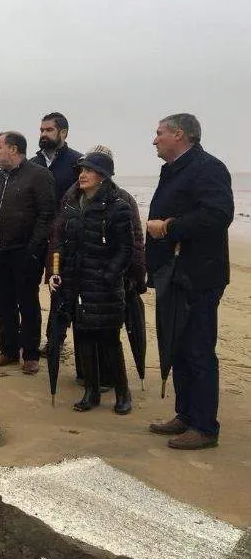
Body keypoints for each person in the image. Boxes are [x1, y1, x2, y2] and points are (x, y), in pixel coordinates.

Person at [145, 113, 233, 450]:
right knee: (177, 345)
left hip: (199, 274)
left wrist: (169, 227)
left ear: (180, 135)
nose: (154, 140)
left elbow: (218, 214)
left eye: (159, 134)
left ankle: (204, 427)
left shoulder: (207, 167)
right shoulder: (176, 168)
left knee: (197, 348)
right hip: (174, 273)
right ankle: (185, 414)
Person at [48, 150, 134, 413]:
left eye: (89, 170)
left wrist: (109, 276)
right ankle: (91, 392)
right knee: (83, 337)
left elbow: (125, 249)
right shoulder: (73, 205)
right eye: (81, 170)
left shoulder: (118, 206)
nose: (82, 175)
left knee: (109, 340)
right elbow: (61, 242)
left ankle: (122, 394)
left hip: (104, 287)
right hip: (76, 284)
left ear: (103, 176)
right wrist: (56, 271)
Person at [0, 131, 55, 374]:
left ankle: (31, 354)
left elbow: (46, 216)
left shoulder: (39, 175)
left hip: (25, 252)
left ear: (13, 149)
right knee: (3, 303)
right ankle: (9, 351)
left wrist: (33, 249)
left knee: (27, 303)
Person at [32, 112, 83, 358]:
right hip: (36, 236)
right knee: (30, 289)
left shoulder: (77, 163)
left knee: (59, 290)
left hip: (64, 239)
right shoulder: (33, 163)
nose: (43, 134)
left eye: (49, 130)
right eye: (41, 130)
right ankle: (29, 339)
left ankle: (55, 341)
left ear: (63, 133)